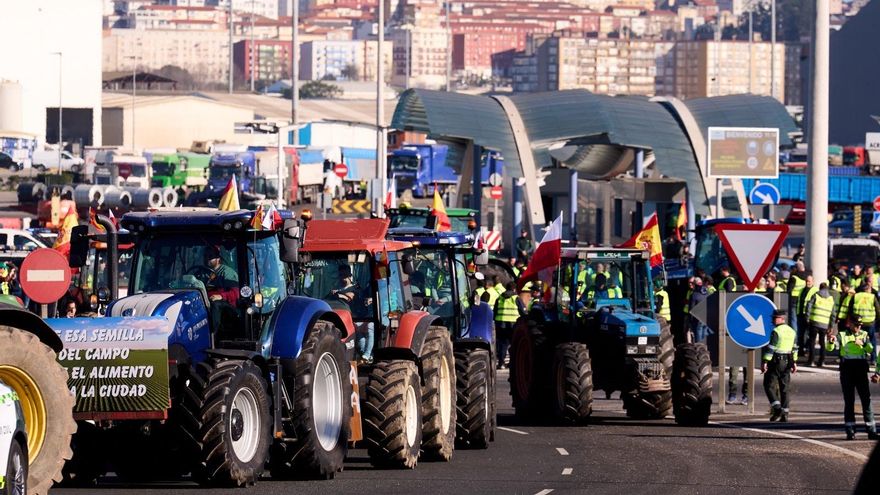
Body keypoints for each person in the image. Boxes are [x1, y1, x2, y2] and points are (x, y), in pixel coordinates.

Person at [825, 316, 880, 440]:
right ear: (849, 324)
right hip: (847, 369)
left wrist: (864, 343)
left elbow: (870, 349)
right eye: (856, 325)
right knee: (849, 401)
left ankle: (871, 431)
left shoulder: (864, 334)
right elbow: (830, 348)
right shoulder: (842, 335)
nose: (859, 327)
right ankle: (850, 431)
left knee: (866, 400)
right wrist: (831, 341)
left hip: (860, 368)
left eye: (860, 325)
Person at [762, 309, 797, 422]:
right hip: (787, 360)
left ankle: (777, 408)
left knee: (768, 385)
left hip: (776, 360)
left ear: (782, 319)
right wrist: (794, 362)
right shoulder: (792, 331)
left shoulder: (776, 331)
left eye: (775, 318)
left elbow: (771, 348)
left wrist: (765, 362)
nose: (772, 320)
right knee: (784, 388)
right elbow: (795, 347)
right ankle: (785, 413)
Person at [805, 282, 836, 367]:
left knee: (812, 341)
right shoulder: (831, 299)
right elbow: (833, 314)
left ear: (820, 288)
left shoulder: (816, 295)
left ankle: (811, 361)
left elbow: (808, 306)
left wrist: (807, 318)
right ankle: (822, 361)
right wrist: (831, 326)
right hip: (824, 324)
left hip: (814, 322)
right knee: (822, 343)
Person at [849, 282, 880, 363]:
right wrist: (877, 320)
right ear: (867, 289)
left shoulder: (856, 296)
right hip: (870, 322)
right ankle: (873, 359)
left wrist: (852, 320)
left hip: (858, 323)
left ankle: (860, 358)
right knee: (872, 340)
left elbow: (850, 308)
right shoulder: (872, 297)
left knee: (859, 340)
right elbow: (878, 310)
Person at [494, 282, 519, 369]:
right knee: (514, 344)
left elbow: (495, 311)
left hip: (500, 324)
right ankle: (512, 363)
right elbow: (522, 311)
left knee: (502, 344)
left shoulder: (500, 297)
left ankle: (501, 363)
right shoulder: (516, 298)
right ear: (514, 289)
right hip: (513, 325)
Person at [797, 275, 818, 357]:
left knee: (809, 334)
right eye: (806, 281)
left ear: (813, 282)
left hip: (809, 315)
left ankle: (807, 349)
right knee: (801, 334)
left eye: (809, 281)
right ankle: (801, 350)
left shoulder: (815, 290)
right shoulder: (802, 290)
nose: (807, 282)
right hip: (801, 314)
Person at [689, 278, 709, 343]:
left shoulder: (694, 295)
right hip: (706, 317)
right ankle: (705, 350)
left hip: (698, 319)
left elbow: (692, 309)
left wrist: (690, 321)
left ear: (695, 284)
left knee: (698, 339)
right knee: (704, 337)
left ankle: (700, 351)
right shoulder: (707, 293)